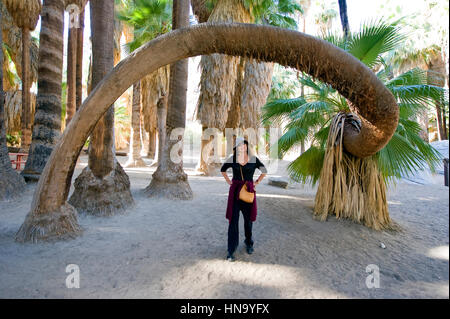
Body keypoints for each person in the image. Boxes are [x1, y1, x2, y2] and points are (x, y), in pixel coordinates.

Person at [220, 137, 267, 262]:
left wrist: (256, 182)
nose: (243, 147)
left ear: (247, 146)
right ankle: (231, 250)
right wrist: (229, 181)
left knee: (248, 220)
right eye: (240, 145)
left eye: (244, 145)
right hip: (235, 192)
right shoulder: (233, 159)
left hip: (248, 191)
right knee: (233, 221)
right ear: (236, 148)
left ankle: (249, 243)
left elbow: (264, 171)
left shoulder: (253, 159)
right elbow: (223, 170)